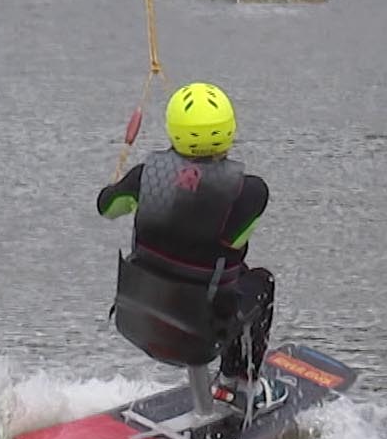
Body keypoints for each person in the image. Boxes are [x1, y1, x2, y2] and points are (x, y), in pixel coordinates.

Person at [96, 81, 284, 410]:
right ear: (229, 131)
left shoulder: (143, 177)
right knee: (259, 281)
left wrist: (121, 183)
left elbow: (106, 207)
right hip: (200, 332)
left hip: (142, 319)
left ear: (173, 130)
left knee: (213, 278)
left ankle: (223, 388)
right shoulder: (251, 193)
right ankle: (238, 385)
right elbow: (233, 239)